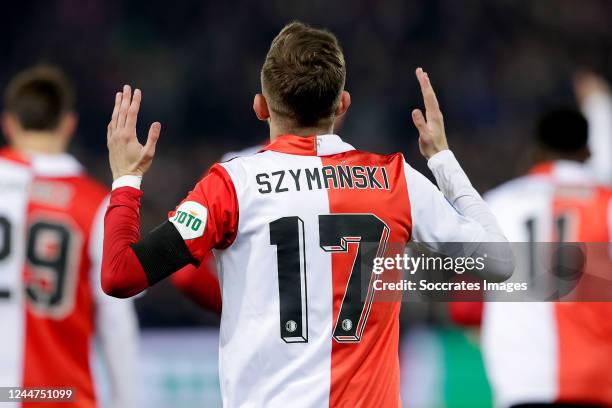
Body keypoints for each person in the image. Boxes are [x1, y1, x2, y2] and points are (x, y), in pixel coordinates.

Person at [101, 22, 513, 407]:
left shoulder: (232, 185)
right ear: (343, 105)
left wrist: (126, 180)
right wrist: (442, 159)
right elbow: (500, 262)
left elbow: (121, 275)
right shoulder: (395, 180)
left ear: (261, 107)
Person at [1, 66, 138, 408]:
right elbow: (116, 321)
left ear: (9, 122)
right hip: (57, 396)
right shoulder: (94, 204)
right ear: (68, 124)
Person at [481, 105, 612, 407]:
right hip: (594, 384)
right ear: (588, 152)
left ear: (537, 152)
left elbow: (467, 302)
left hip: (521, 384)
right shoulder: (605, 205)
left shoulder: (497, 204)